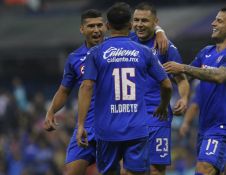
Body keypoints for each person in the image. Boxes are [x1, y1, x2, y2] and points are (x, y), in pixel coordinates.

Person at [76, 2, 172, 175]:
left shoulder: (96, 53)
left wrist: (81, 124)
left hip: (106, 130)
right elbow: (166, 84)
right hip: (137, 128)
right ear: (130, 25)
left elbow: (87, 86)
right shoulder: (145, 52)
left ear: (107, 26)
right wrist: (163, 106)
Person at [163, 7, 226, 175]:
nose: (213, 23)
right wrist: (184, 96)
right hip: (204, 127)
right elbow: (184, 78)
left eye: (219, 21)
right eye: (215, 19)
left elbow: (220, 76)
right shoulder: (206, 52)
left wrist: (183, 67)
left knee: (203, 169)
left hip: (221, 127)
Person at [43, 9, 106, 175]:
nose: (96, 30)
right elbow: (64, 90)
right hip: (86, 126)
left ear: (106, 27)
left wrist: (159, 32)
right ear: (82, 29)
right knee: (71, 171)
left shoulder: (116, 51)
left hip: (111, 123)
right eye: (91, 26)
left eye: (100, 25)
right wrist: (51, 111)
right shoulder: (74, 58)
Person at [131, 3, 190, 175]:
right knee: (129, 168)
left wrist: (184, 98)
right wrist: (159, 30)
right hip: (131, 114)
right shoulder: (127, 42)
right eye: (136, 20)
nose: (139, 24)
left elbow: (182, 80)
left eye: (144, 20)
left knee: (156, 168)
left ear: (155, 21)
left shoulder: (166, 48)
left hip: (158, 115)